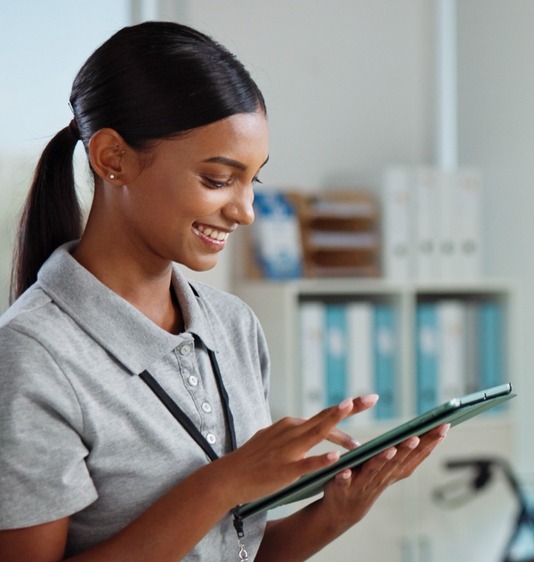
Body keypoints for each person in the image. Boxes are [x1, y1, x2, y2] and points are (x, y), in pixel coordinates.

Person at [0, 21, 447, 561]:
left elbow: (235, 549)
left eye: (251, 181)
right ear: (112, 159)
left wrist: (334, 515)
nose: (245, 211)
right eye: (217, 179)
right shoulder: (32, 355)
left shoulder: (232, 326)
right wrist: (222, 483)